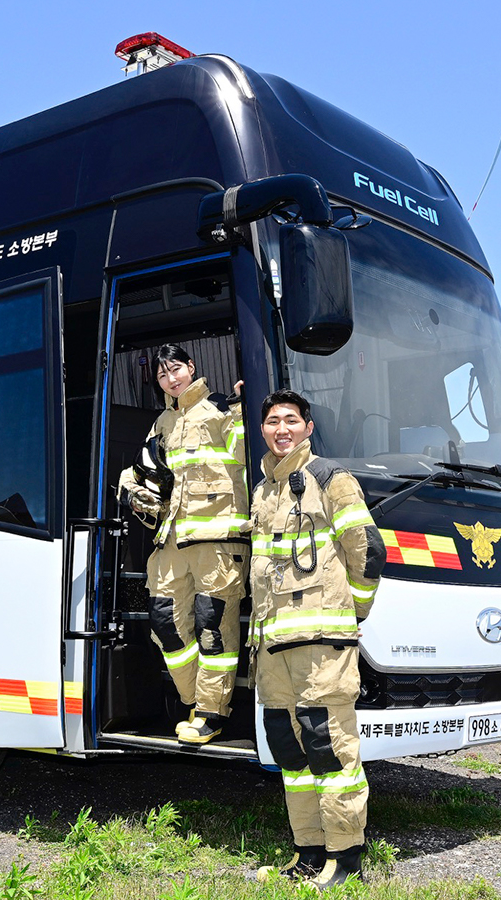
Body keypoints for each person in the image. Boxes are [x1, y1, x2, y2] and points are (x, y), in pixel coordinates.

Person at [248, 390, 385, 887]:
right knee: (290, 752)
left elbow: (368, 551)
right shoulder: (263, 491)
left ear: (308, 427)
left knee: (330, 750)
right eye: (271, 421)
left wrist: (352, 612)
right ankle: (307, 854)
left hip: (321, 645)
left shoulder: (332, 479)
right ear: (262, 431)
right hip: (272, 647)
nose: (280, 428)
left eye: (290, 420)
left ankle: (345, 859)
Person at [116, 344, 248, 745]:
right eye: (162, 375)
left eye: (176, 369)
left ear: (191, 368)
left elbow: (251, 464)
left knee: (213, 627)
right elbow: (139, 471)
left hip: (218, 537)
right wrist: (132, 491)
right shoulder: (162, 423)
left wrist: (243, 409)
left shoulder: (224, 409)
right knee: (165, 622)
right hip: (171, 536)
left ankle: (211, 713)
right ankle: (194, 701)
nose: (171, 379)